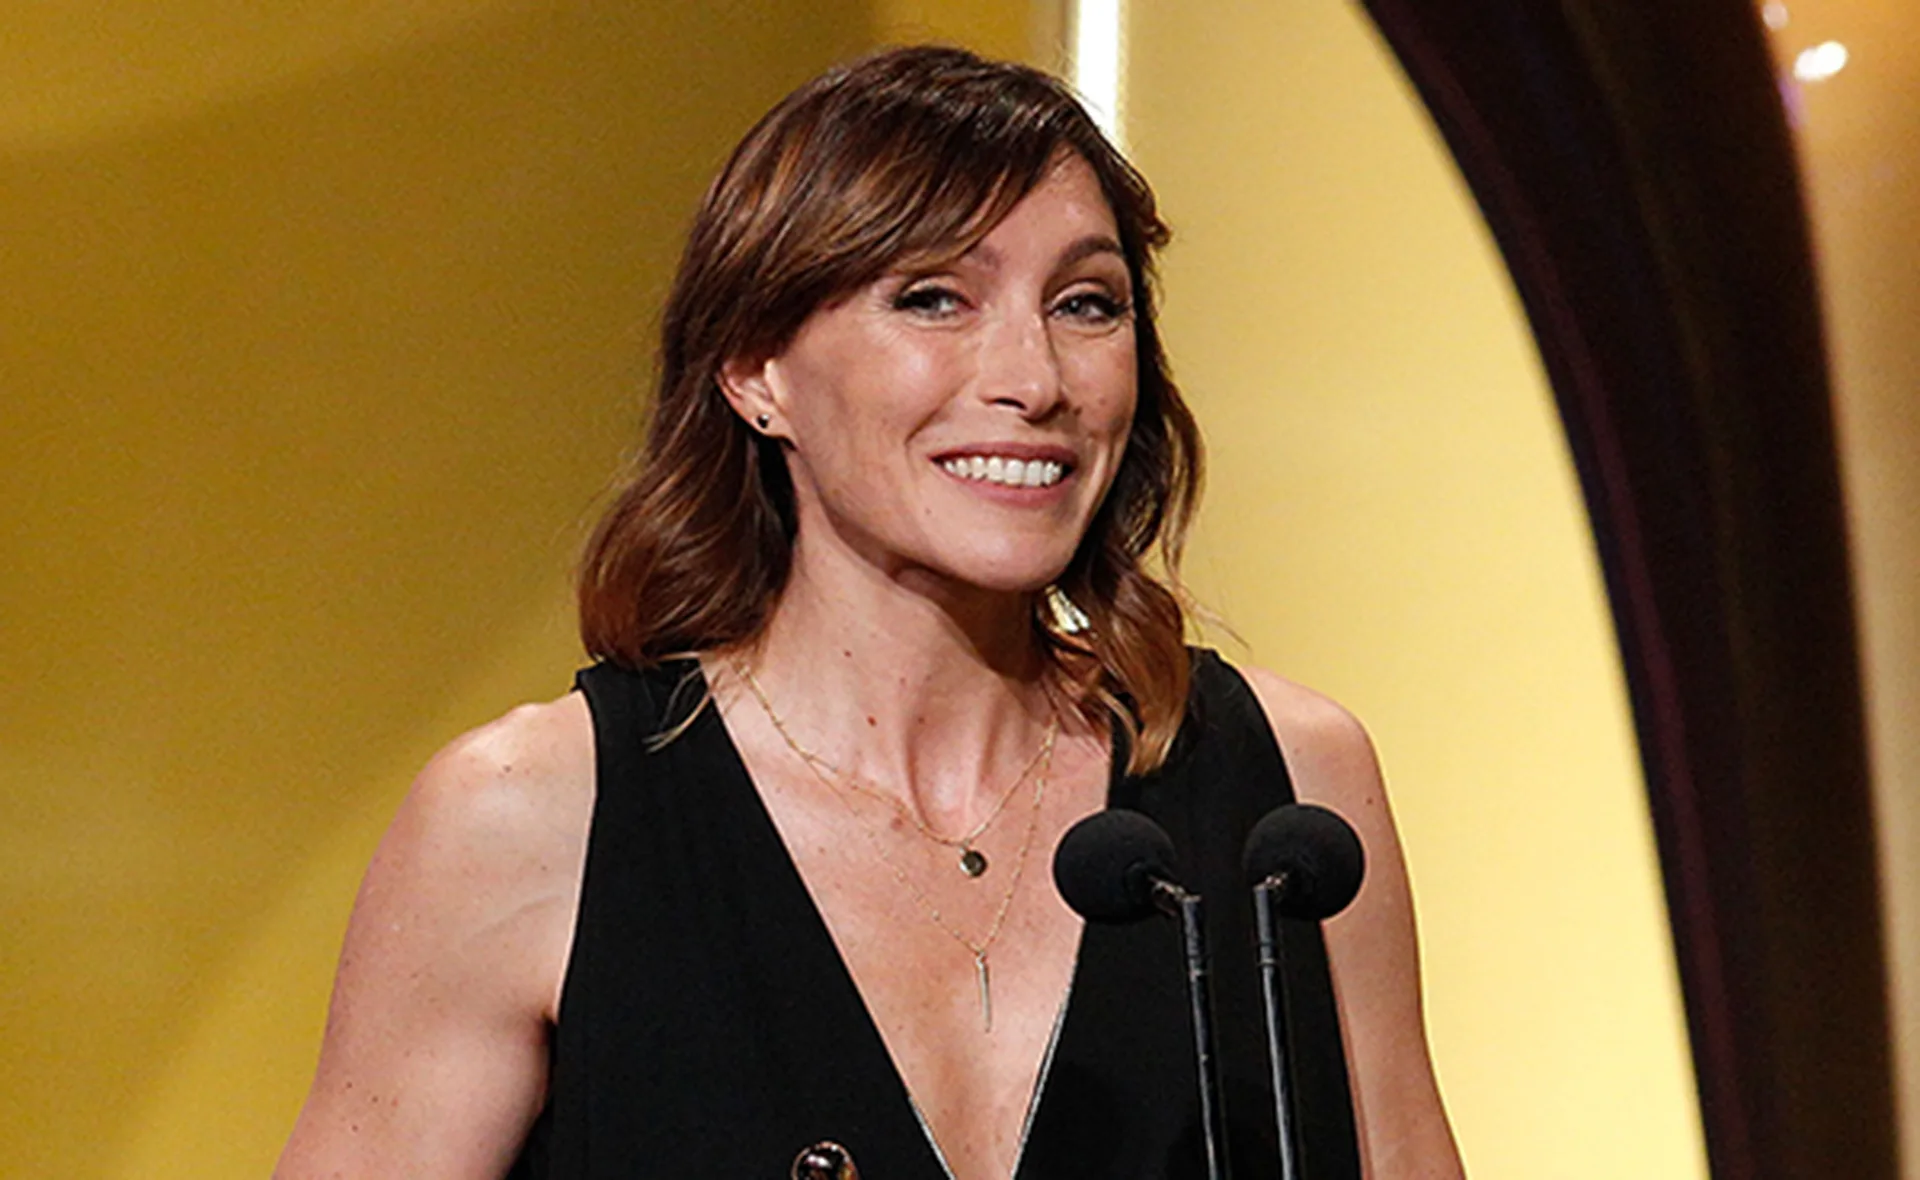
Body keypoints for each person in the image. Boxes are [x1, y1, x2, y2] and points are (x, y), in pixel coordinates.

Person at [275, 45, 1464, 1180]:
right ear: (756, 369)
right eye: (934, 298)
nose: (1034, 380)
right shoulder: (528, 820)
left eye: (1087, 304)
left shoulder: (1285, 798)